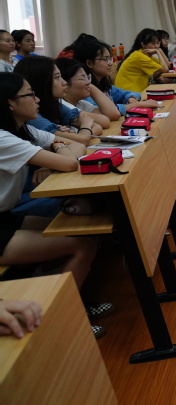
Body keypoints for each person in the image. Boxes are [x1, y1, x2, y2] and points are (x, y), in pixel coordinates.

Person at [0, 72, 111, 338]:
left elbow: (80, 144)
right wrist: (60, 150)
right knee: (81, 245)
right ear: (10, 103)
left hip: (6, 217)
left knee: (77, 228)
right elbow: (71, 160)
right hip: (2, 226)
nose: (37, 99)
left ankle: (66, 302)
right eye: (30, 94)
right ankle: (66, 321)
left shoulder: (23, 129)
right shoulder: (3, 138)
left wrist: (58, 149)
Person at [14, 56, 102, 146]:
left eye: (61, 76)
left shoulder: (55, 103)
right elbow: (82, 140)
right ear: (41, 82)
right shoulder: (31, 116)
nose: (64, 82)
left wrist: (81, 134)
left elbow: (98, 127)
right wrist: (86, 126)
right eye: (57, 77)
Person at [72, 36, 159, 115]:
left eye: (110, 58)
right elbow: (105, 112)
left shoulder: (104, 85)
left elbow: (127, 93)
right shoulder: (84, 90)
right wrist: (138, 104)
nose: (111, 63)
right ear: (89, 63)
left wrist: (131, 98)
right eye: (105, 59)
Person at [55, 58, 120, 124]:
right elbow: (104, 121)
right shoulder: (62, 105)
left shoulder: (80, 103)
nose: (88, 82)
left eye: (87, 77)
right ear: (66, 83)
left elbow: (114, 114)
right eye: (82, 78)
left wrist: (88, 85)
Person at [114, 28, 169, 93]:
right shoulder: (139, 56)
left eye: (158, 43)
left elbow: (168, 66)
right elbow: (165, 69)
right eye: (153, 43)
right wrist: (158, 51)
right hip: (128, 94)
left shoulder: (146, 54)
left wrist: (160, 51)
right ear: (143, 44)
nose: (156, 46)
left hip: (135, 92)